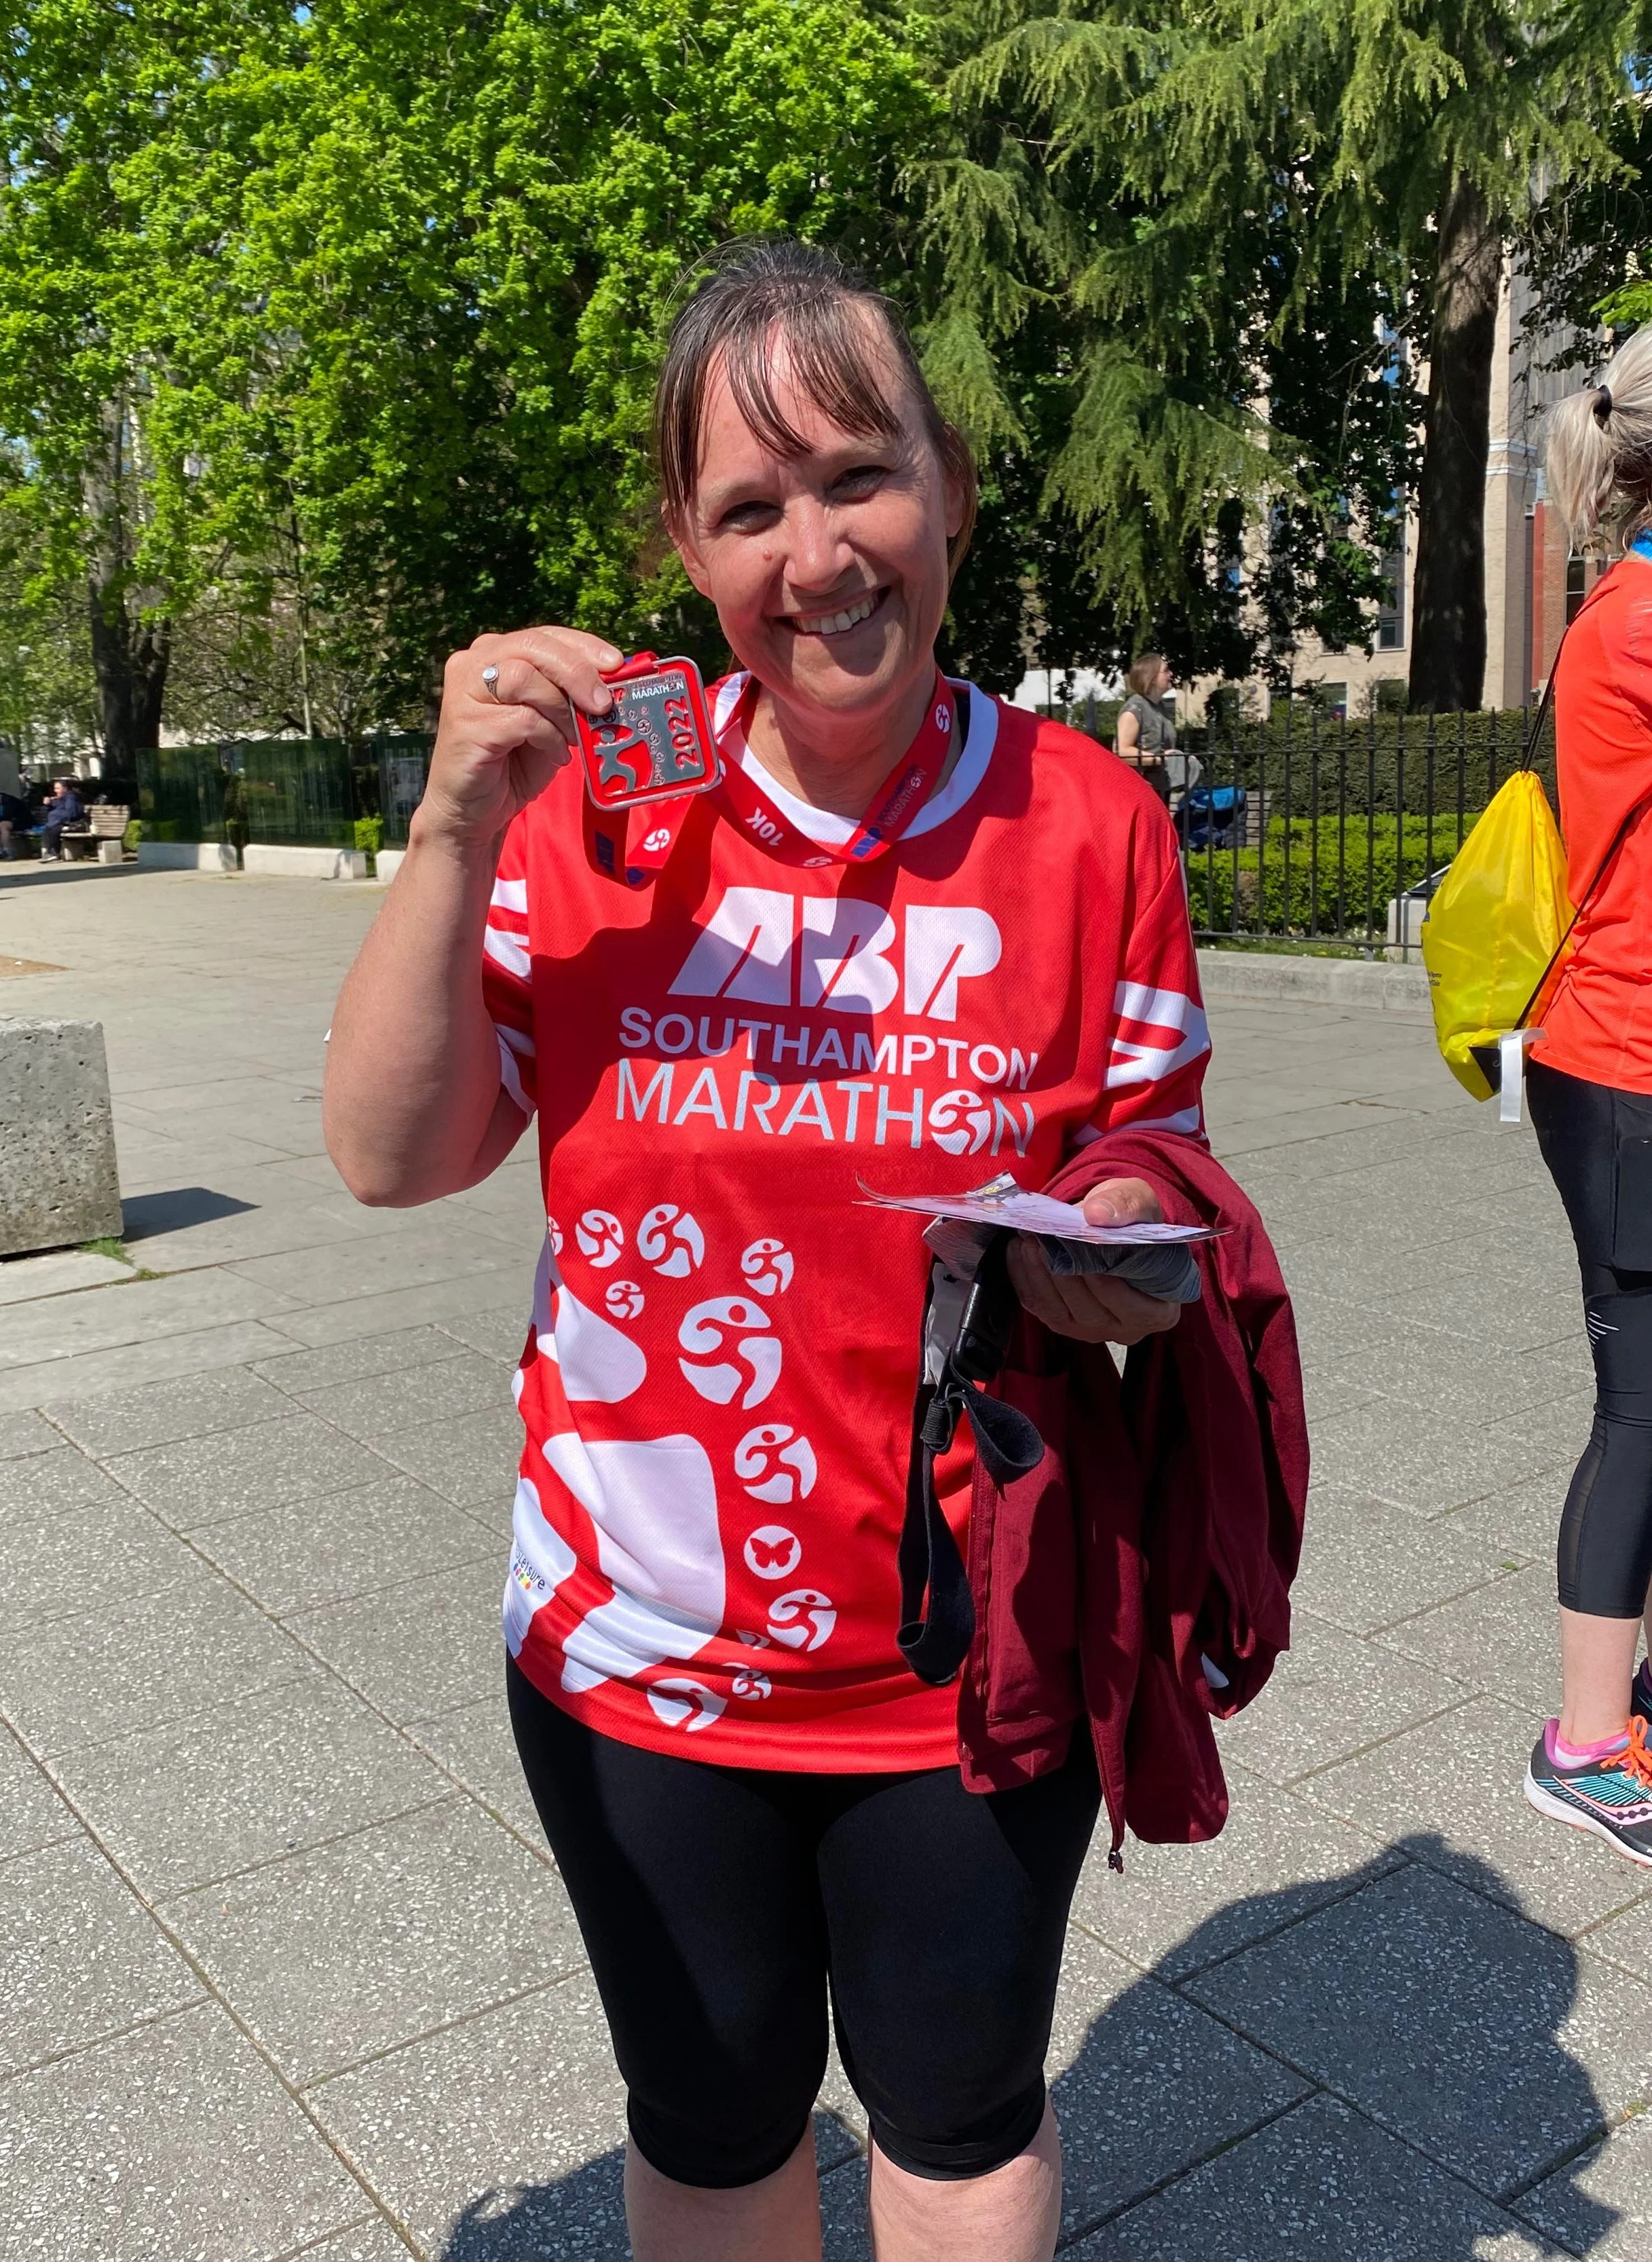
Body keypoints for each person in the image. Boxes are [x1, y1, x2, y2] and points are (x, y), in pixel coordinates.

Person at [324, 239, 1222, 2262]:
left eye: (859, 476)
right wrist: (457, 821)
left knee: (961, 2117)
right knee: (714, 2121)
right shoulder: (594, 813)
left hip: (964, 1647)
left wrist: (1119, 1231)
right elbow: (391, 1156)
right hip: (636, 1652)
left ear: (948, 487)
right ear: (687, 547)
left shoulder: (1089, 824)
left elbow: (1149, 1147)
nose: (817, 556)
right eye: (749, 508)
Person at [1522, 324, 1652, 1864]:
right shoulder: (1639, 620)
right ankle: (1583, 1744)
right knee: (1642, 1409)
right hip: (1624, 1066)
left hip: (1623, 1057)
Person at [1115, 652, 1177, 799]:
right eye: (1166, 670)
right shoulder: (1135, 708)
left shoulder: (1160, 707)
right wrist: (1159, 758)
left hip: (1161, 787)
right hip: (1142, 789)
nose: (1171, 674)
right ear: (1152, 677)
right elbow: (1122, 752)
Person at [39, 776, 83, 861]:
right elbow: (55, 810)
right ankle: (51, 852)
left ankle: (54, 853)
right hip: (63, 823)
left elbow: (72, 813)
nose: (55, 791)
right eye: (55, 788)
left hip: (74, 824)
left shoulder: (71, 797)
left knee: (54, 829)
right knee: (48, 829)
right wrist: (48, 805)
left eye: (58, 788)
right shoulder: (61, 799)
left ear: (65, 789)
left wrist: (57, 818)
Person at [0, 785, 27, 858]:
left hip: (22, 821)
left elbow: (6, 816)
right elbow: (0, 816)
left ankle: (7, 850)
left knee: (3, 825)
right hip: (12, 822)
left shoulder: (9, 801)